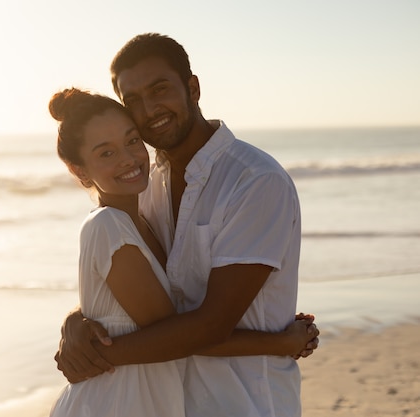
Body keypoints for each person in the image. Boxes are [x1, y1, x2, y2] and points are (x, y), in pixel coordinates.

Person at [55, 34, 315, 417]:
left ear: (192, 88)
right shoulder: (145, 185)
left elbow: (210, 325)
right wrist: (76, 320)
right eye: (134, 101)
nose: (149, 109)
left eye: (160, 89)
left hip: (243, 401)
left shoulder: (255, 181)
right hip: (169, 402)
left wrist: (97, 352)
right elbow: (137, 289)